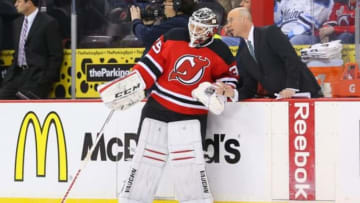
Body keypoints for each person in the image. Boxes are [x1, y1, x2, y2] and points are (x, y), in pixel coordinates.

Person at [98, 7, 239, 203]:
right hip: (158, 109)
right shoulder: (173, 36)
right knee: (144, 166)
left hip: (191, 116)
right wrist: (129, 86)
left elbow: (230, 81)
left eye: (201, 29)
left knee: (190, 172)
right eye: (194, 27)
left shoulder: (220, 51)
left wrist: (221, 89)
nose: (195, 32)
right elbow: (149, 66)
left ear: (212, 31)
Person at [226, 7, 323, 99]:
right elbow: (250, 86)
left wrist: (291, 87)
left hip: (307, 93)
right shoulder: (242, 52)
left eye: (231, 20)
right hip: (280, 100)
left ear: (243, 19)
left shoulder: (269, 32)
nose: (228, 25)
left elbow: (291, 59)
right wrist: (233, 93)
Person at [0, 0, 63, 99]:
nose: (15, 4)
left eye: (19, 1)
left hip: (37, 78)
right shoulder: (17, 23)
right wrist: (7, 79)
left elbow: (56, 56)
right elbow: (17, 54)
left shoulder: (48, 23)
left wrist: (44, 81)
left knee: (24, 104)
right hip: (17, 76)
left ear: (29, 2)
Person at [130, 0, 196, 55]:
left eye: (167, 2)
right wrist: (149, 25)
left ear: (177, 5)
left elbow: (146, 36)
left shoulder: (178, 22)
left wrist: (136, 21)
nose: (163, 5)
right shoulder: (184, 21)